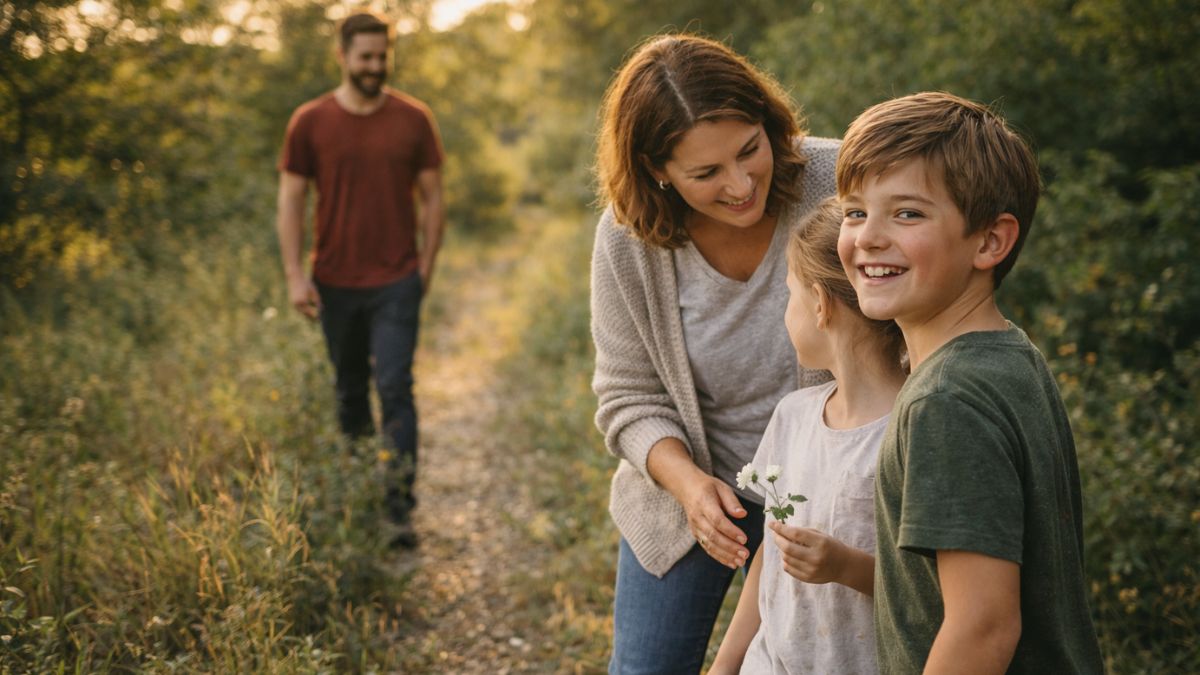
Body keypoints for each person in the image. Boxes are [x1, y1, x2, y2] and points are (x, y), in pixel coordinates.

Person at [590, 34, 839, 673]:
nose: (740, 184)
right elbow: (627, 397)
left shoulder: (836, 182)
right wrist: (690, 486)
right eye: (705, 173)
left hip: (834, 495)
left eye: (749, 150)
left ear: (769, 122)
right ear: (657, 171)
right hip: (696, 499)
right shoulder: (628, 239)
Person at [836, 91, 1104, 672]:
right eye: (855, 211)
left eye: (907, 213)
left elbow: (982, 627)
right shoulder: (1009, 357)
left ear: (989, 242)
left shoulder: (947, 400)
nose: (868, 237)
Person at [709, 198, 906, 674]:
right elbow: (770, 562)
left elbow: (938, 590)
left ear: (819, 305)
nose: (785, 313)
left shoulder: (912, 430)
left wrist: (845, 568)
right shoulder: (793, 417)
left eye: (789, 294)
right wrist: (725, 665)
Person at [275, 11, 444, 549]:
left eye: (382, 56)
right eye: (365, 57)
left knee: (394, 387)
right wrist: (295, 275)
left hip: (397, 278)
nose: (375, 66)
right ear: (344, 56)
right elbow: (292, 199)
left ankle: (397, 509)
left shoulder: (414, 119)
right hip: (335, 280)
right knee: (350, 391)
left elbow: (434, 195)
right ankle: (357, 494)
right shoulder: (310, 121)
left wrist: (426, 267)